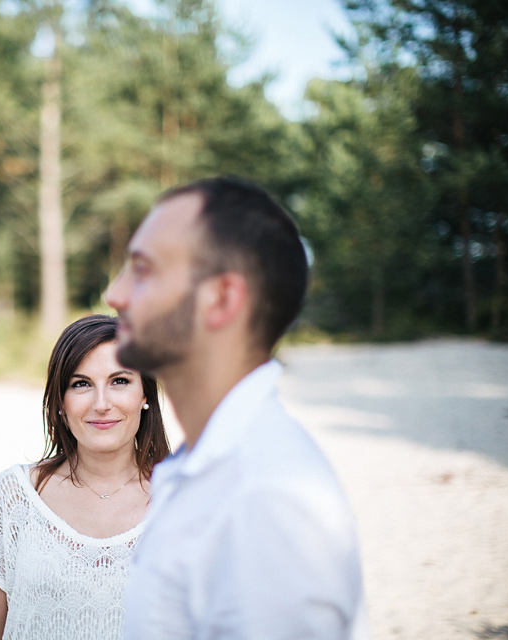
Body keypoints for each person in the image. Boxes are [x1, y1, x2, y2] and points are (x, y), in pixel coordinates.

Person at [105, 176, 368, 639]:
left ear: (223, 298)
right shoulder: (202, 470)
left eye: (143, 270)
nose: (116, 295)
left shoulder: (266, 500)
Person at [0, 314, 171, 640]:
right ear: (60, 402)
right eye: (81, 384)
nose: (101, 404)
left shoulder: (188, 504)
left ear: (145, 394)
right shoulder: (16, 496)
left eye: (120, 380)